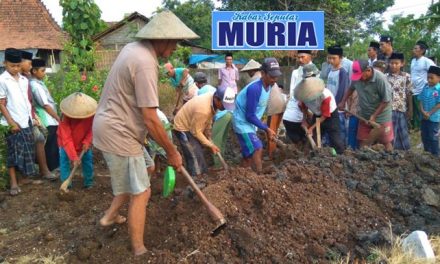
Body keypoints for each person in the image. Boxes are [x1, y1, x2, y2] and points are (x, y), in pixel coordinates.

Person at [92, 11, 188, 256]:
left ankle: (109, 217)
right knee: (142, 191)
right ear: (162, 39)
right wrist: (172, 151)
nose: (176, 47)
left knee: (146, 169)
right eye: (175, 41)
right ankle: (139, 249)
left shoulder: (134, 48)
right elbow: (151, 118)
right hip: (119, 132)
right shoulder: (145, 62)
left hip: (116, 127)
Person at [173, 87, 235, 177]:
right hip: (182, 127)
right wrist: (210, 145)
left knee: (197, 151)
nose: (225, 108)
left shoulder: (212, 101)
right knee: (194, 153)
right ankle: (197, 178)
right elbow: (195, 132)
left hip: (192, 124)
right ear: (217, 99)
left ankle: (201, 173)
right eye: (224, 105)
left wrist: (208, 134)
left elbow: (208, 120)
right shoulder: (203, 110)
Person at [233, 58, 280, 173]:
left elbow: (259, 108)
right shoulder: (255, 88)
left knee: (248, 156)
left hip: (250, 124)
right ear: (263, 73)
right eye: (272, 76)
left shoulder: (269, 85)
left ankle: (240, 176)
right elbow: (249, 115)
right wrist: (266, 128)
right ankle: (259, 176)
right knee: (257, 148)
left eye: (276, 76)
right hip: (242, 123)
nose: (275, 79)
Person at [0, 48, 36, 196]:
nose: (15, 68)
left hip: (26, 119)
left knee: (26, 151)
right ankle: (14, 183)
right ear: (4, 63)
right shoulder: (2, 80)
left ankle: (23, 179)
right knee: (13, 153)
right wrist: (11, 122)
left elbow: (27, 101)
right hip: (12, 122)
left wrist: (32, 117)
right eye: (11, 66)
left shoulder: (23, 80)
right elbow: (1, 103)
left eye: (17, 65)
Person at [338, 59, 394, 151]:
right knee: (363, 143)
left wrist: (374, 116)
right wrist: (343, 101)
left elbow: (386, 100)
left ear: (368, 70)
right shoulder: (357, 78)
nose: (359, 78)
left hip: (382, 116)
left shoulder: (380, 79)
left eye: (361, 75)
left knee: (386, 142)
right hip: (364, 114)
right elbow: (350, 89)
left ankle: (392, 160)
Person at [296, 77, 345, 154]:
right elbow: (304, 107)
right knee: (313, 137)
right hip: (317, 114)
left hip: (330, 116)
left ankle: (340, 156)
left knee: (335, 139)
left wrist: (311, 128)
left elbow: (325, 115)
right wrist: (304, 120)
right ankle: (313, 155)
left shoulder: (325, 96)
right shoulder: (304, 95)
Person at [57, 92, 96, 188]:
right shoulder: (65, 118)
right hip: (66, 144)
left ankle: (89, 182)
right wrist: (74, 157)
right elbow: (66, 139)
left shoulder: (91, 114)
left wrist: (87, 141)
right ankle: (67, 183)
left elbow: (92, 129)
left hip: (84, 142)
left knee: (87, 160)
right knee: (64, 161)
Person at [30, 58, 60, 178]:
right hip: (46, 118)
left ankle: (51, 169)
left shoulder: (38, 83)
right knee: (50, 145)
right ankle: (51, 169)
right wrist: (57, 117)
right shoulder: (35, 85)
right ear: (34, 71)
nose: (44, 73)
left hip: (49, 117)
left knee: (52, 144)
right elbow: (45, 105)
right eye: (42, 70)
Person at [283, 50, 314, 145]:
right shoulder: (296, 72)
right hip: (293, 107)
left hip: (306, 109)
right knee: (289, 124)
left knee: (303, 136)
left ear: (310, 57)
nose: (300, 60)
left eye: (302, 57)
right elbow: (292, 91)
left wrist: (307, 114)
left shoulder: (314, 72)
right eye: (298, 57)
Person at [386, 52, 413, 150]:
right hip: (389, 109)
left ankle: (406, 152)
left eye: (396, 63)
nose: (393, 65)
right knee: (391, 132)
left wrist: (410, 109)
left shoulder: (406, 77)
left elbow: (409, 93)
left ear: (402, 64)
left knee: (403, 131)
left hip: (401, 108)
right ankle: (393, 152)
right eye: (392, 63)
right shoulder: (385, 77)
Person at [326, 46, 350, 145]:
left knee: (339, 132)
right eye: (329, 58)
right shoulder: (330, 71)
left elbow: (342, 91)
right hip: (329, 107)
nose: (331, 61)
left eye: (334, 58)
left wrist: (334, 105)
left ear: (340, 58)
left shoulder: (342, 72)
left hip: (337, 108)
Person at [410, 40, 435, 131]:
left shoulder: (426, 61)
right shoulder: (413, 61)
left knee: (422, 109)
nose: (413, 50)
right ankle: (416, 127)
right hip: (413, 89)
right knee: (415, 110)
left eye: (416, 48)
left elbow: (434, 71)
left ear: (422, 50)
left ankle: (423, 127)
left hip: (422, 89)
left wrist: (429, 84)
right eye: (414, 48)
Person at [418, 65, 440, 156]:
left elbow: (439, 104)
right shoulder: (425, 87)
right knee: (424, 136)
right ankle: (427, 153)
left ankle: (436, 155)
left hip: (434, 118)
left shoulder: (438, 89)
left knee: (433, 137)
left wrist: (430, 113)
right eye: (428, 77)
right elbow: (420, 100)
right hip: (424, 117)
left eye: (432, 78)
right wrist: (423, 111)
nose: (429, 80)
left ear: (439, 78)